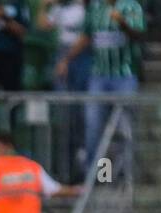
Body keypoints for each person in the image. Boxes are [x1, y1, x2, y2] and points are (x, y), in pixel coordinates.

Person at [55, 0, 145, 175]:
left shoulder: (132, 6)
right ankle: (97, 173)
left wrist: (122, 23)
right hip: (99, 76)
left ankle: (126, 172)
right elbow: (86, 37)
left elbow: (139, 34)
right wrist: (66, 59)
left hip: (124, 75)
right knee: (94, 126)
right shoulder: (95, 8)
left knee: (124, 126)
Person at [41, 0, 90, 180]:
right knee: (63, 115)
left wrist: (67, 60)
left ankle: (84, 162)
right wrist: (44, 6)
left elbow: (87, 36)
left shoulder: (86, 9)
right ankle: (64, 169)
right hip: (63, 52)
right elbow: (43, 25)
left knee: (82, 113)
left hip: (81, 57)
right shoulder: (60, 8)